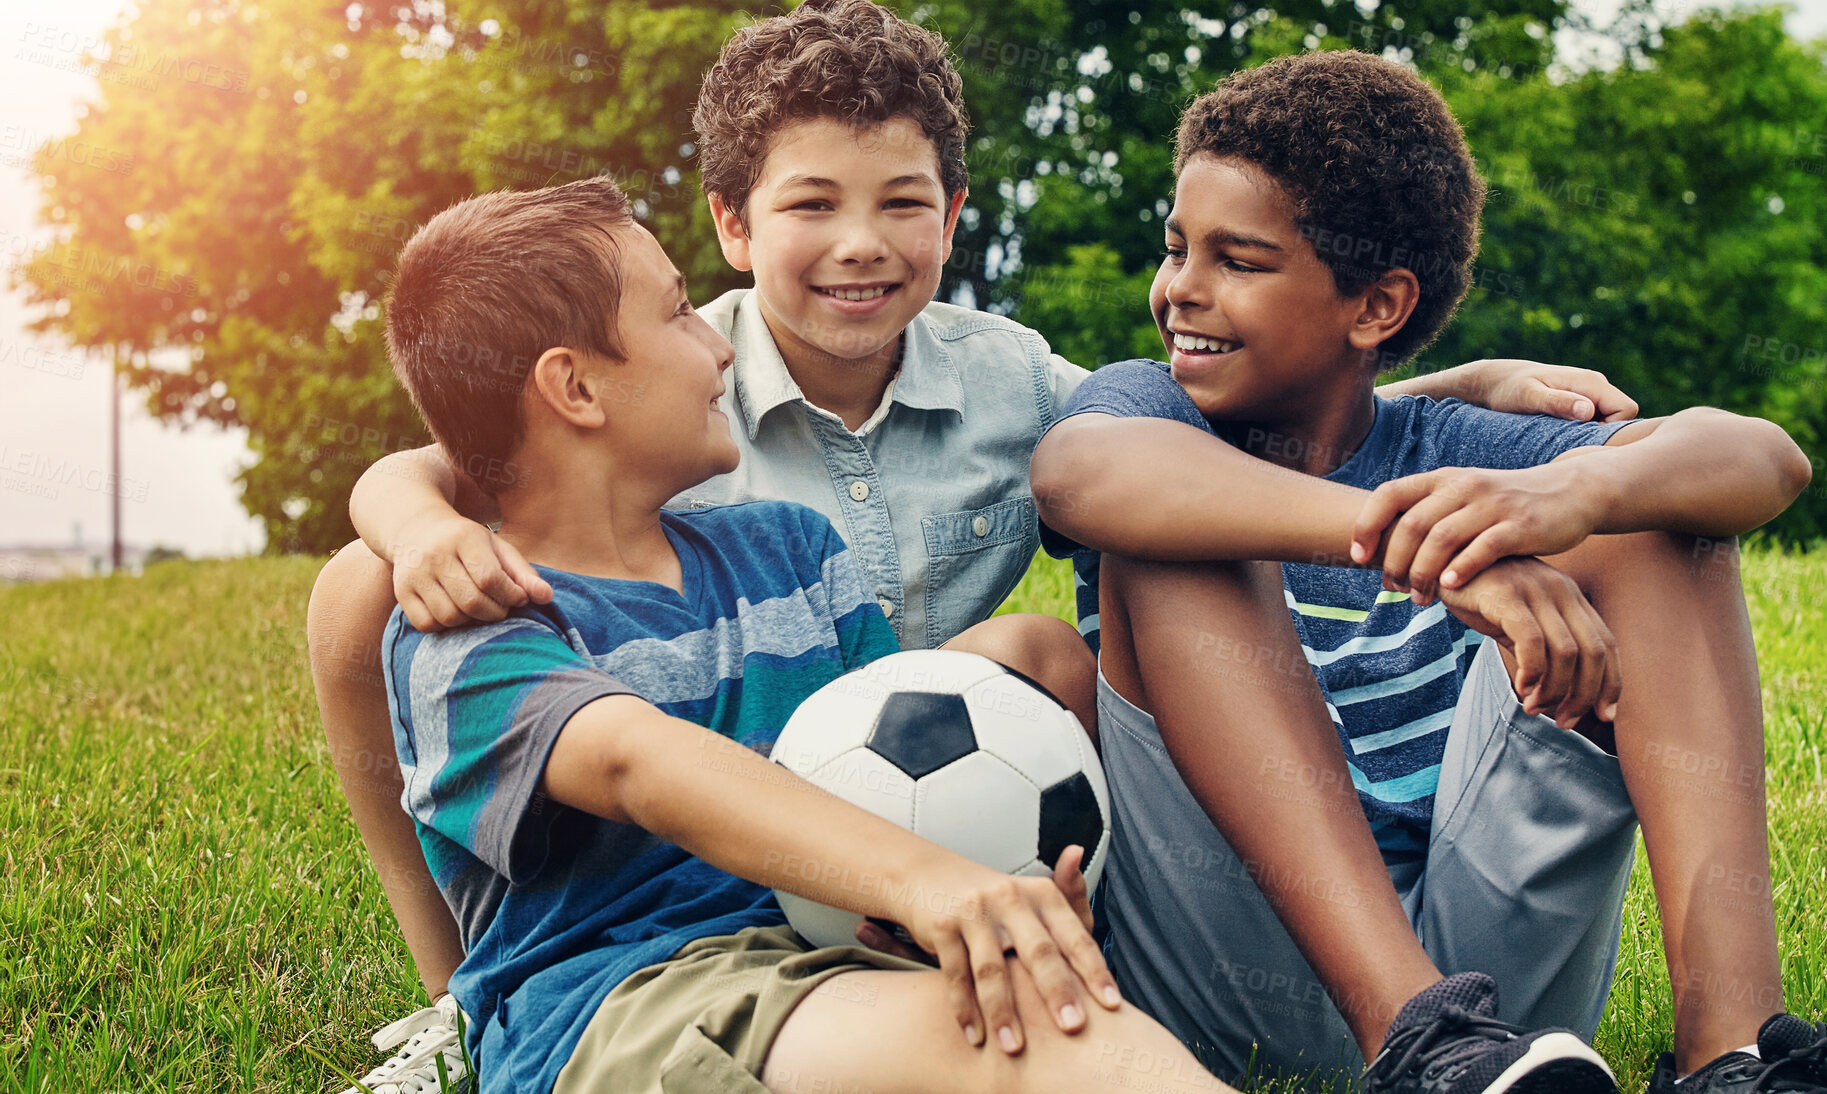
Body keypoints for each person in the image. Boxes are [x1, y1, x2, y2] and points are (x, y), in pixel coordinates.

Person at [305, 4, 1642, 1088]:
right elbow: (613, 714)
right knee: (374, 583)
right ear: (731, 228)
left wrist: (1427, 391)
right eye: (808, 207)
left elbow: (1186, 443)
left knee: (1043, 646)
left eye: (900, 205)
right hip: (652, 934)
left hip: (848, 827)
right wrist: (410, 513)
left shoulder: (910, 445)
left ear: (950, 215)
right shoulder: (627, 448)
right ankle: (456, 1001)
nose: (856, 246)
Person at [1029, 50, 1827, 1094]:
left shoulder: (1455, 444)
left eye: (1239, 260)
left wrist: (1575, 500)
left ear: (1376, 308)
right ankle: (1414, 1033)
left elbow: (1766, 458)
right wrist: (1433, 554)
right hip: (1223, 971)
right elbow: (1080, 472)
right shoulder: (1152, 409)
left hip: (1492, 995)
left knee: (1660, 521)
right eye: (1178, 247)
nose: (1182, 288)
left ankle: (1734, 1048)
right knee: (1178, 537)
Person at [371, 172, 1235, 1094]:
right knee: (1040, 1038)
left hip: (843, 962)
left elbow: (885, 782)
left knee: (1045, 1009)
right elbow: (637, 763)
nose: (720, 348)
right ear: (574, 386)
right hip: (637, 1001)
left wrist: (977, 870)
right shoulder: (468, 634)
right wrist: (928, 881)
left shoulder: (789, 551)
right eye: (678, 317)